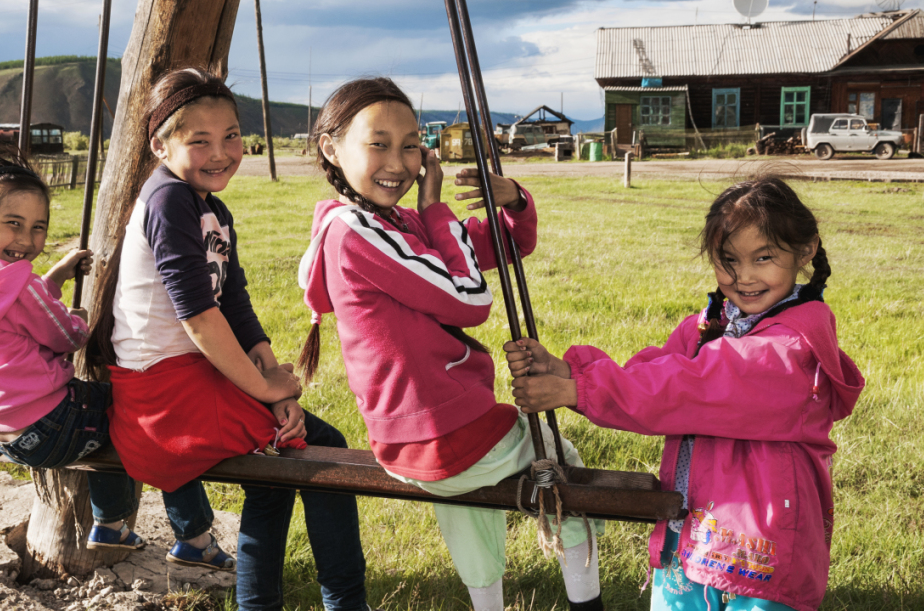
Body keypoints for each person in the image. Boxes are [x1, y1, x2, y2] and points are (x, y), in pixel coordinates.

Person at [297, 77, 604, 611]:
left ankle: (486, 603)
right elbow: (470, 297)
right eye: (379, 143)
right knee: (563, 466)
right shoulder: (357, 231)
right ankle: (587, 602)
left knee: (465, 500)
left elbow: (500, 246)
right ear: (332, 147)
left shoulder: (389, 224)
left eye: (411, 144)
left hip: (415, 437)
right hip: (443, 430)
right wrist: (437, 206)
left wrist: (514, 203)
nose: (399, 162)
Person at [86, 66, 374, 611]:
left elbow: (235, 306)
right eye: (200, 141)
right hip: (162, 396)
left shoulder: (211, 207)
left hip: (194, 377)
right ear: (159, 143)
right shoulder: (168, 199)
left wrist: (274, 381)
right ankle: (343, 602)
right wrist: (265, 392)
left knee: (279, 468)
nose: (221, 152)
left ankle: (263, 603)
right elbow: (198, 317)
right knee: (324, 450)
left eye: (232, 136)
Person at [505, 176, 865, 611]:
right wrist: (569, 370)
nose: (744, 277)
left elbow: (688, 388)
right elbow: (654, 371)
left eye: (763, 258)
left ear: (805, 251)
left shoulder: (790, 350)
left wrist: (577, 390)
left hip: (759, 549)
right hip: (692, 528)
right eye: (728, 259)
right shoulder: (713, 322)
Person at [0, 152, 145, 553]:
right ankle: (114, 521)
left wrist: (58, 275)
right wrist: (79, 320)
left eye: (38, 228)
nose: (27, 241)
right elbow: (65, 335)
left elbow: (19, 308)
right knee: (127, 406)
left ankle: (110, 520)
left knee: (102, 410)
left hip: (1, 433)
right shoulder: (22, 284)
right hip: (48, 429)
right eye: (14, 224)